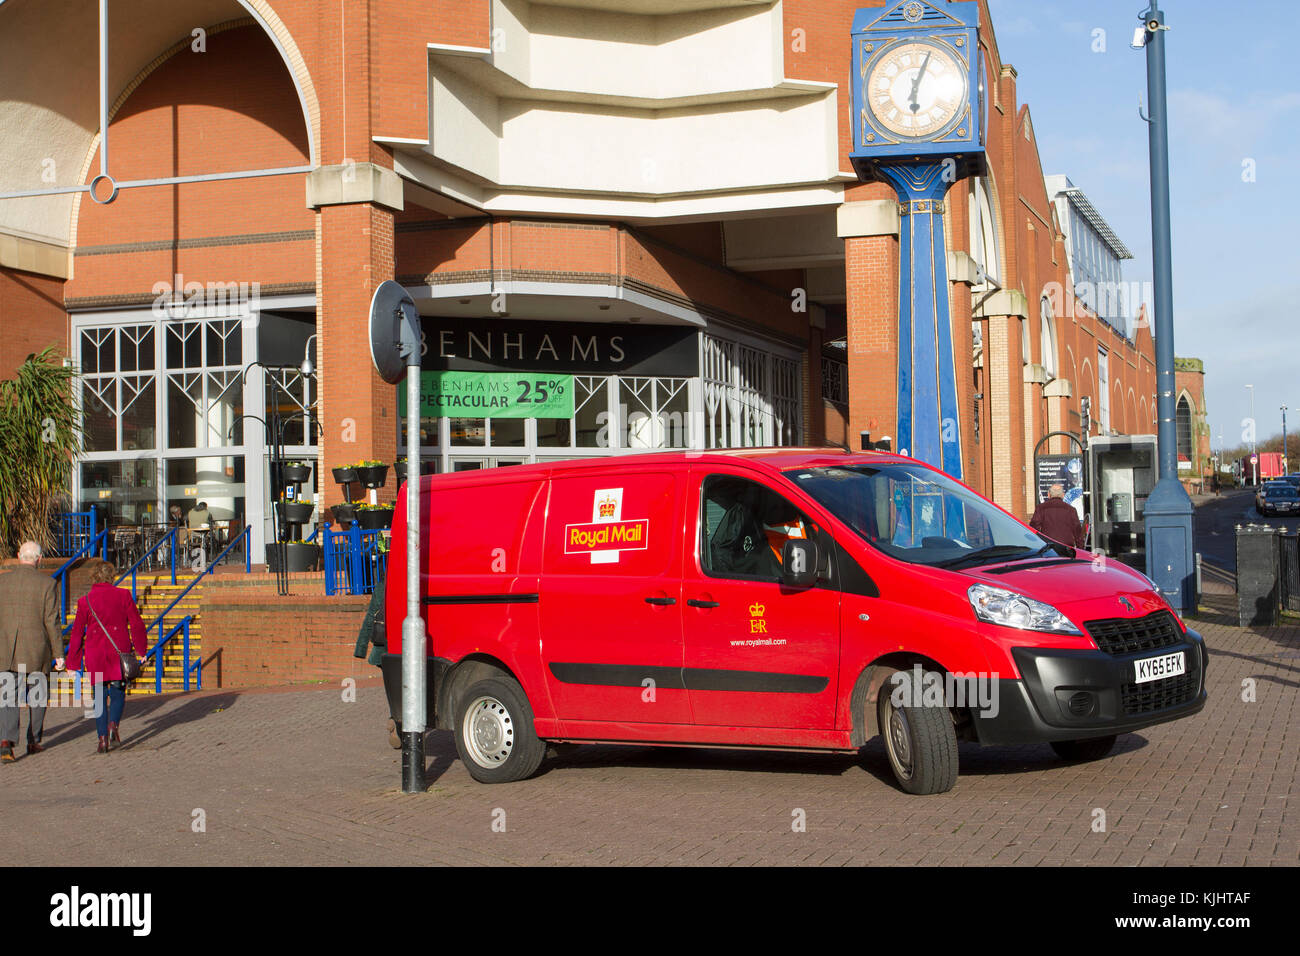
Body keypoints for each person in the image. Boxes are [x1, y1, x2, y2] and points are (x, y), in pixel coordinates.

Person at [65, 560, 148, 753]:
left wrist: (72, 663)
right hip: (119, 652)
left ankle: (102, 739)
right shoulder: (123, 595)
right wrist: (141, 650)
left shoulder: (85, 601)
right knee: (118, 692)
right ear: (112, 576)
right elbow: (136, 624)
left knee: (99, 697)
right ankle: (113, 726)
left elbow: (77, 634)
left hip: (95, 654)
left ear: (93, 577)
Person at [0, 541, 65, 761]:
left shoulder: (2, 581)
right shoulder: (47, 584)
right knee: (38, 696)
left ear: (19, 555)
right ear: (39, 559)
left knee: (7, 696)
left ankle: (6, 741)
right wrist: (59, 654)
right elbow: (51, 622)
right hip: (36, 650)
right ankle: (33, 740)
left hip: (5, 648)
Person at [1030, 483, 1085, 549]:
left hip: (1048, 548)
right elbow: (1077, 532)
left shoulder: (1041, 508)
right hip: (1066, 548)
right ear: (1063, 495)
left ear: (1048, 495)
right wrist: (1080, 549)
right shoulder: (1071, 510)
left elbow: (1034, 527)